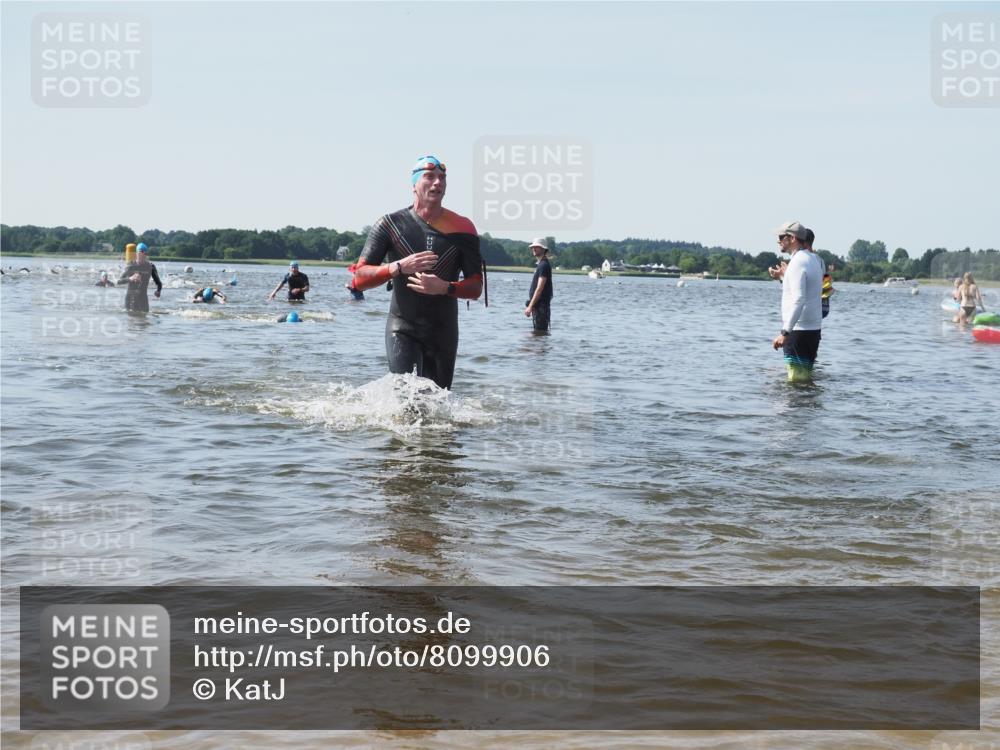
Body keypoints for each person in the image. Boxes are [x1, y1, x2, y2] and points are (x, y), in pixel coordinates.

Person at [348, 155, 483, 390]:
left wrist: (445, 287)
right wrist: (397, 267)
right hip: (402, 327)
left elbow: (475, 288)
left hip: (443, 331)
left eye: (442, 178)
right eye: (429, 177)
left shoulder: (463, 228)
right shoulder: (390, 224)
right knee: (406, 397)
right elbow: (359, 280)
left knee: (439, 404)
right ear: (414, 185)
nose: (437, 183)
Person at [771, 221, 823, 382]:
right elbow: (808, 291)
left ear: (792, 238)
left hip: (798, 330)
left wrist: (785, 332)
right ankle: (809, 407)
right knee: (805, 380)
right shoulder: (813, 259)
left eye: (781, 237)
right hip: (812, 329)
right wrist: (782, 277)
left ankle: (796, 408)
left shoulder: (797, 263)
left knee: (795, 382)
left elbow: (799, 299)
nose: (778, 241)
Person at [117, 242, 162, 312]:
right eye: (140, 253)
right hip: (130, 299)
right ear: (136, 254)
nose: (142, 255)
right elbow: (119, 281)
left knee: (145, 320)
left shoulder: (150, 267)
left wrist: (158, 291)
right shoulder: (130, 266)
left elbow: (159, 283)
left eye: (144, 253)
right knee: (130, 320)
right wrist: (130, 278)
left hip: (143, 299)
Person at [524, 238, 554, 332]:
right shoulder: (541, 264)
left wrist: (530, 306)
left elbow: (539, 288)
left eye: (537, 247)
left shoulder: (543, 265)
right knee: (539, 336)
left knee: (540, 332)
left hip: (541, 307)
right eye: (533, 247)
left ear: (543, 249)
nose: (533, 249)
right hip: (538, 306)